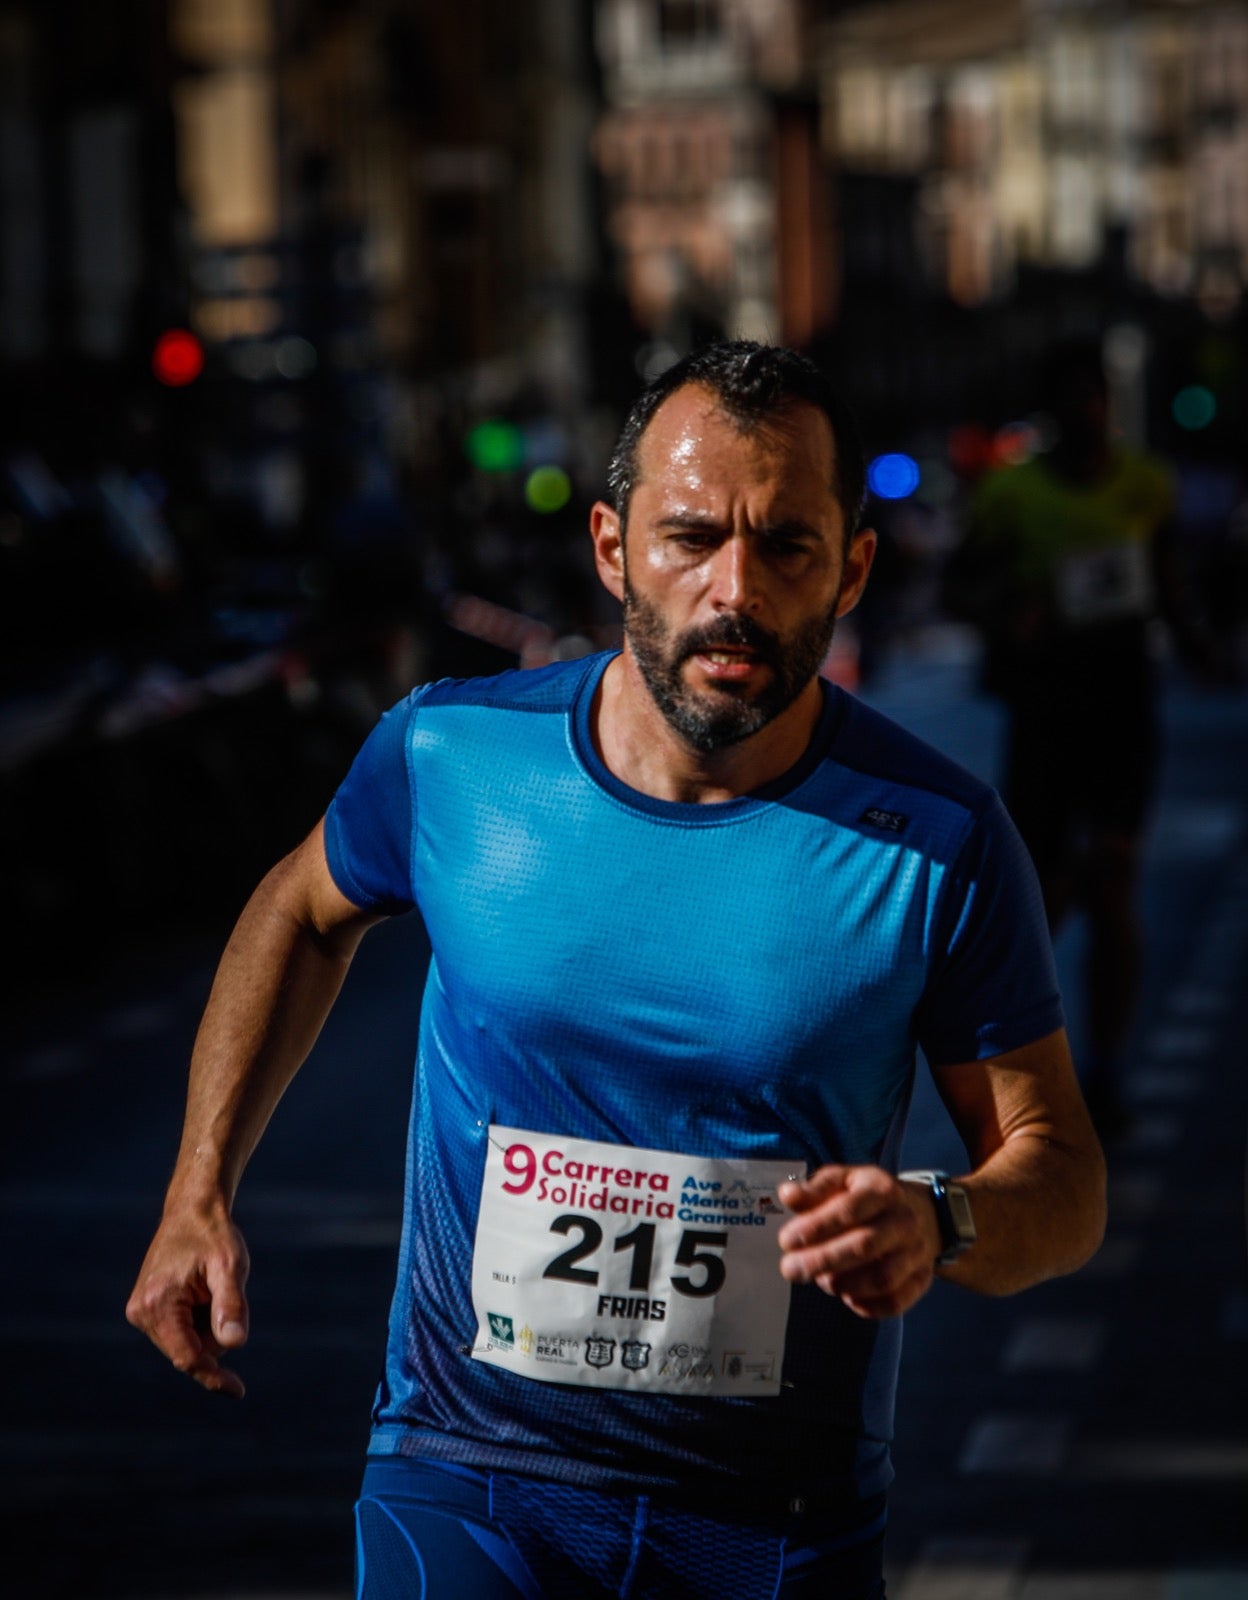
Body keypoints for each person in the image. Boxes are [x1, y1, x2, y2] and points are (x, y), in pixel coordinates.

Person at [127, 341, 1106, 1600]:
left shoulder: (941, 838)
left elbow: (1062, 1178)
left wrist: (940, 1218)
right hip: (470, 1478)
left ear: (855, 566)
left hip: (777, 1520)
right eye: (690, 537)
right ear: (610, 547)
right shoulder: (453, 753)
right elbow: (300, 909)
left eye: (788, 547)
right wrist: (197, 1186)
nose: (733, 590)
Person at [940, 334, 1224, 1138]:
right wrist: (1010, 616)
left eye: (1094, 396)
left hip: (1124, 704)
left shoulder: (1145, 485)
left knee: (1116, 884)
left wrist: (1205, 653)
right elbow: (960, 585)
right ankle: (1009, 1062)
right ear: (1052, 414)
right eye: (1069, 401)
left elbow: (1166, 585)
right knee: (1046, 898)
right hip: (1047, 708)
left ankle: (1103, 1068)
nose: (1085, 412)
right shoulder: (1011, 495)